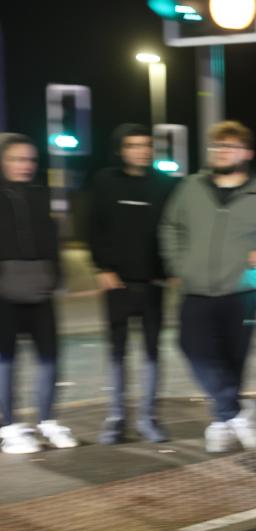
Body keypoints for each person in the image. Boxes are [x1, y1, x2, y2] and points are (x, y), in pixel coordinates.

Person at [159, 121, 256, 453]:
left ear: (246, 153)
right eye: (218, 147)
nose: (223, 152)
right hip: (195, 288)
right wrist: (177, 264)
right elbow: (170, 226)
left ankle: (221, 420)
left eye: (231, 147)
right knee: (192, 348)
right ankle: (236, 410)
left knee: (232, 359)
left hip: (242, 291)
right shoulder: (191, 187)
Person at [88, 124, 177, 444]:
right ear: (121, 150)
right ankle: (116, 418)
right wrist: (102, 267)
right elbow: (94, 227)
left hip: (153, 283)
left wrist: (171, 269)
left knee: (152, 354)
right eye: (133, 145)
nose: (141, 150)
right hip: (117, 284)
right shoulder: (104, 181)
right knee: (117, 354)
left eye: (146, 145)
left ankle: (148, 418)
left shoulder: (165, 185)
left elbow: (174, 229)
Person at [0, 133, 77, 454]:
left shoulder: (42, 193)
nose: (25, 165)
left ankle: (47, 420)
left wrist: (57, 276)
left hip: (40, 289)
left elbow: (52, 238)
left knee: (50, 358)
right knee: (6, 361)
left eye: (30, 159)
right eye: (17, 159)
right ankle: (8, 427)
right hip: (4, 293)